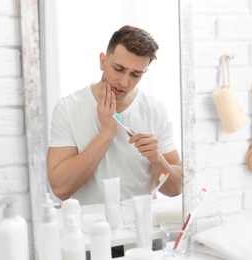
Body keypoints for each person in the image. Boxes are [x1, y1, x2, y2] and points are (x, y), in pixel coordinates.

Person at [47, 25, 182, 205]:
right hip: (89, 229)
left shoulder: (155, 110)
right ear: (103, 61)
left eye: (136, 74)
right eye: (118, 69)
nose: (124, 82)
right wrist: (106, 133)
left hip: (141, 226)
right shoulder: (68, 108)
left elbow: (176, 189)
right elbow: (60, 189)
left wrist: (157, 159)